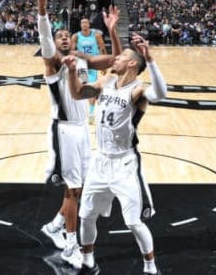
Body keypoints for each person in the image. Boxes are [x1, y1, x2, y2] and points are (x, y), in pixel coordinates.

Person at [33, 0, 121, 270]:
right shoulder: (53, 64)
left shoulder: (82, 59)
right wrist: (43, 8)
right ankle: (71, 245)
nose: (62, 38)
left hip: (83, 128)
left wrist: (112, 31)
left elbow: (116, 60)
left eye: (64, 35)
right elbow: (45, 37)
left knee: (78, 189)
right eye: (58, 37)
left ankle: (55, 224)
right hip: (64, 131)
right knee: (72, 190)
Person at [64, 33, 167, 275]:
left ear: (132, 63)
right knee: (87, 215)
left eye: (120, 56)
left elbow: (161, 94)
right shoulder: (106, 82)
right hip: (100, 160)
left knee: (133, 222)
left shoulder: (138, 90)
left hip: (124, 163)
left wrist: (150, 59)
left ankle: (150, 266)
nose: (115, 58)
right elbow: (77, 93)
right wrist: (70, 72)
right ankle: (88, 260)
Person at [71, 17, 108, 124]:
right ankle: (83, 111)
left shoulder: (96, 35)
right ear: (80, 25)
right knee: (83, 87)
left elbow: (102, 49)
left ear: (89, 24)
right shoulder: (76, 36)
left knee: (91, 87)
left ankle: (91, 113)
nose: (84, 24)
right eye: (82, 22)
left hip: (93, 63)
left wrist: (104, 63)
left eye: (86, 22)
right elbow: (72, 50)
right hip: (82, 64)